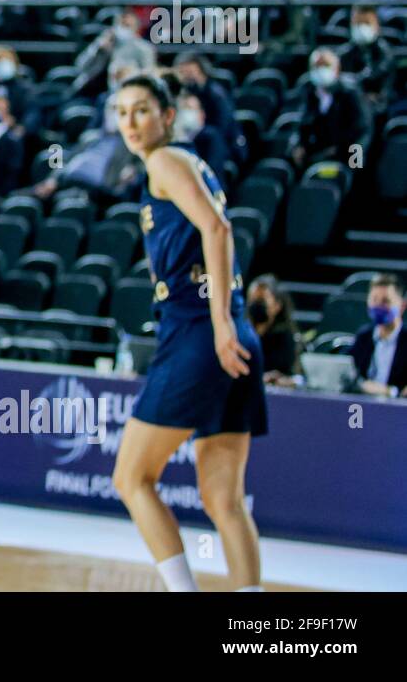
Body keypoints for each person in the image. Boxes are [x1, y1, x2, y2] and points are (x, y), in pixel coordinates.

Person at [109, 74, 266, 593]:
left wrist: (218, 321)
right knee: (224, 500)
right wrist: (229, 322)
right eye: (122, 111)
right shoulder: (189, 163)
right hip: (233, 333)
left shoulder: (164, 160)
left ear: (167, 116)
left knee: (131, 479)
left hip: (200, 334)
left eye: (142, 110)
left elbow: (219, 229)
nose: (130, 122)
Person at [290, 49, 370, 169]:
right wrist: (298, 145)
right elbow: (302, 123)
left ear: (337, 69)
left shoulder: (350, 92)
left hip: (346, 151)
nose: (321, 71)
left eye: (326, 66)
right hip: (321, 151)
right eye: (317, 66)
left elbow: (362, 129)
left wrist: (354, 157)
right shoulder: (309, 91)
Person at [347, 274, 406, 397]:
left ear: (402, 305)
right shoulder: (364, 336)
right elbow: (347, 369)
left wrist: (390, 391)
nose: (379, 306)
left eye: (385, 301)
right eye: (374, 300)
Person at [245, 275, 301, 386]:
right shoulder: (239, 335)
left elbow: (292, 376)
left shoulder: (286, 339)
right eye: (253, 299)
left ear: (277, 305)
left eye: (262, 300)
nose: (256, 305)